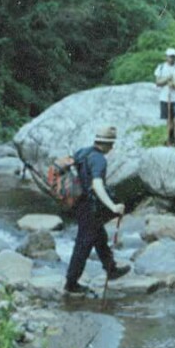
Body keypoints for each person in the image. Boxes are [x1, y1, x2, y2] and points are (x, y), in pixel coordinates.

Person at [65, 126, 132, 294]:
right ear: (107, 144)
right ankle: (71, 283)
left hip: (78, 202)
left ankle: (111, 269)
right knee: (84, 244)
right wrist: (113, 206)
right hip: (89, 205)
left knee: (99, 236)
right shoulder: (99, 159)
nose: (112, 148)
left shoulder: (82, 152)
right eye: (111, 144)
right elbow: (96, 185)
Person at [154, 47, 175, 148]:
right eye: (170, 57)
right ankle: (170, 139)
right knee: (168, 119)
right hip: (165, 97)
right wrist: (167, 79)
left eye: (173, 57)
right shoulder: (161, 67)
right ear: (166, 57)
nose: (172, 59)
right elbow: (157, 82)